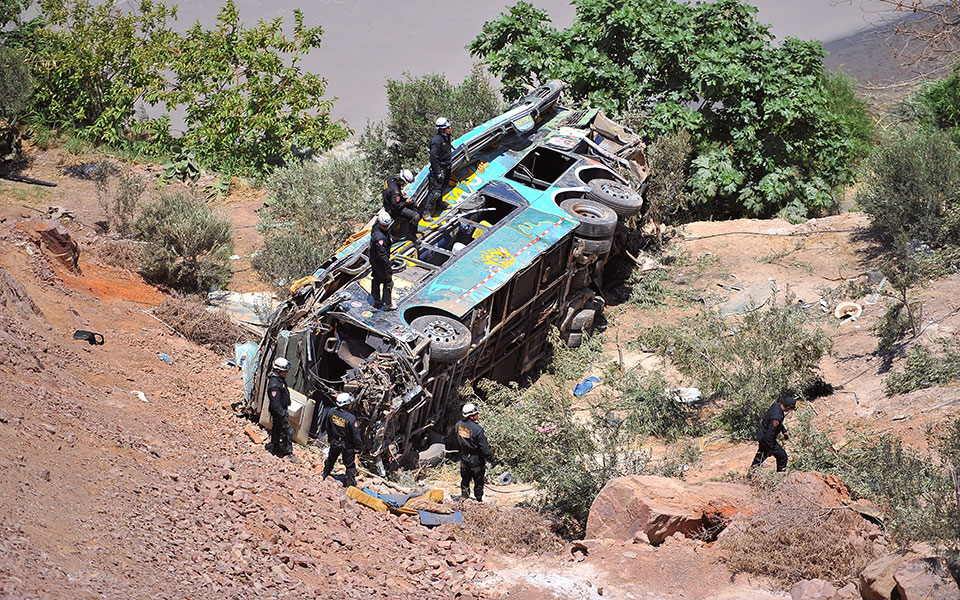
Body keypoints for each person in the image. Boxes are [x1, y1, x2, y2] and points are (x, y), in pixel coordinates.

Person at [455, 402, 495, 502]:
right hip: (476, 460)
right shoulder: (477, 430)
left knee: (465, 479)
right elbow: (484, 448)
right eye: (477, 413)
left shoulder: (459, 425)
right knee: (478, 481)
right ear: (472, 416)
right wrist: (492, 460)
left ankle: (464, 498)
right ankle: (478, 501)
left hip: (464, 458)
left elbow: (455, 439)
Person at [749, 393, 797, 474]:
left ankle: (749, 475)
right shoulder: (777, 417)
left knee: (760, 456)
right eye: (790, 409)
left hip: (762, 435)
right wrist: (770, 449)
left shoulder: (776, 406)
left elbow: (773, 423)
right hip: (766, 438)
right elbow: (770, 434)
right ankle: (780, 476)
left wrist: (784, 430)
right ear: (788, 407)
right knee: (782, 456)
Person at [322, 392, 362, 488]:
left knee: (331, 460)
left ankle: (324, 475)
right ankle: (350, 486)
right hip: (346, 445)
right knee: (350, 466)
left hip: (335, 442)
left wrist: (331, 439)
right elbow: (356, 436)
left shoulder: (331, 412)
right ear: (347, 404)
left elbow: (328, 427)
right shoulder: (351, 419)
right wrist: (358, 448)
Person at [266, 357, 298, 463]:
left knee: (277, 428)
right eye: (285, 371)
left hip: (280, 410)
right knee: (287, 431)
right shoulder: (275, 384)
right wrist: (282, 414)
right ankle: (288, 453)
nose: (287, 372)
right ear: (279, 370)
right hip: (279, 411)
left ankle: (275, 446)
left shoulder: (279, 380)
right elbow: (275, 403)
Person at [425, 117, 453, 218]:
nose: (450, 128)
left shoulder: (446, 136)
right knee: (435, 192)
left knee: (443, 187)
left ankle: (440, 204)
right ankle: (427, 212)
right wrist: (438, 172)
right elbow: (433, 158)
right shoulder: (436, 141)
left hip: (447, 166)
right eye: (447, 127)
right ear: (441, 129)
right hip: (440, 168)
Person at [381, 168, 419, 243]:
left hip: (388, 202)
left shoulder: (390, 179)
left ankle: (412, 224)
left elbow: (388, 190)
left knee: (413, 203)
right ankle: (412, 235)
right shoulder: (395, 193)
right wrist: (406, 202)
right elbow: (396, 207)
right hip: (392, 209)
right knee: (415, 216)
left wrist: (399, 192)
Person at [370, 209, 394, 310]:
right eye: (384, 226)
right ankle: (387, 304)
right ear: (380, 223)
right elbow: (382, 255)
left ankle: (376, 300)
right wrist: (388, 266)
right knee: (388, 281)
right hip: (380, 262)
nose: (386, 228)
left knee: (376, 278)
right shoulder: (380, 238)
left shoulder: (376, 227)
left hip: (373, 259)